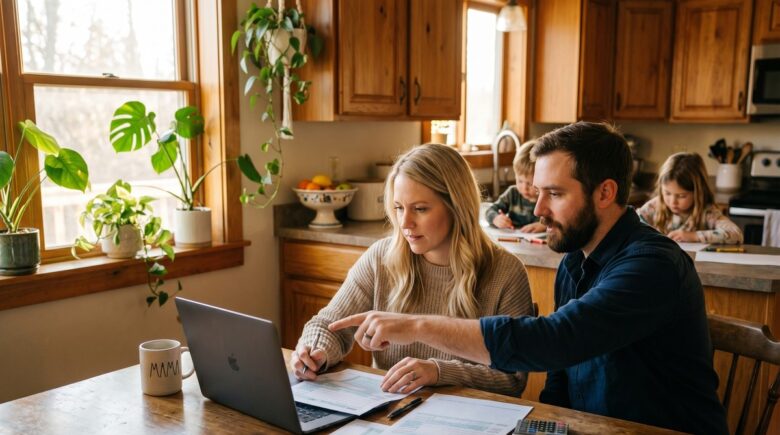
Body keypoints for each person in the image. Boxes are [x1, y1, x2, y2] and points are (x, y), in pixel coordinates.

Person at [330, 122, 728, 435]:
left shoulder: (651, 266)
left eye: (554, 194)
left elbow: (554, 340)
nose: (537, 209)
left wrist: (415, 326)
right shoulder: (574, 262)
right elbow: (560, 378)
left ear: (605, 193)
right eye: (537, 192)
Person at [290, 143, 534, 397]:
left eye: (420, 209)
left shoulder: (506, 272)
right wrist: (314, 351)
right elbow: (330, 323)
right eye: (398, 208)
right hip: (390, 411)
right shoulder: (380, 257)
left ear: (457, 207)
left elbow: (512, 378)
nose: (405, 223)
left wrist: (438, 372)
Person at [638, 152, 743, 244]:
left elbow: (736, 234)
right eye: (667, 193)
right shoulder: (654, 206)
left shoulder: (707, 212)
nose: (672, 202)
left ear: (697, 192)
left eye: (681, 196)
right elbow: (630, 224)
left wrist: (693, 236)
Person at [485, 140, 546, 232]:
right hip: (513, 241)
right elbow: (490, 210)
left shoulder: (546, 198)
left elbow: (559, 221)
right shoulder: (512, 193)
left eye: (530, 183)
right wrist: (496, 218)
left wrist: (544, 226)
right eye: (520, 181)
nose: (524, 188)